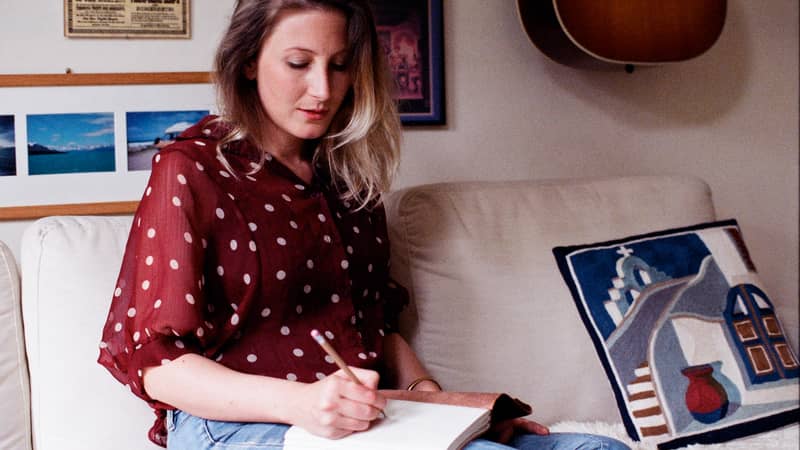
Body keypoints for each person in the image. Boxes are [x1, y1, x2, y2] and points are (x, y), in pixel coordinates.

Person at [97, 1, 631, 449]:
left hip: (367, 417)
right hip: (235, 424)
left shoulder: (349, 178)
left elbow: (377, 325)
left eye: (339, 64)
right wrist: (302, 403)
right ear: (249, 62)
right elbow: (158, 365)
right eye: (299, 63)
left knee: (598, 447)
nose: (323, 90)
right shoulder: (191, 169)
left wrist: (443, 409)